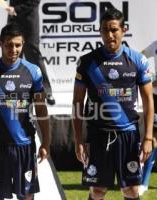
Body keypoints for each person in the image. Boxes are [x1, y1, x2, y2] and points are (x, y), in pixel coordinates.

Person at [72, 8, 154, 200]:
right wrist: (78, 140)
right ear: (100, 31)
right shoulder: (87, 62)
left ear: (123, 30)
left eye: (114, 30)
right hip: (98, 136)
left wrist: (148, 137)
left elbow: (148, 100)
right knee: (98, 191)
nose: (109, 35)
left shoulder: (137, 60)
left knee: (132, 190)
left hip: (128, 136)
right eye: (105, 30)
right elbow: (77, 102)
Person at [0, 23, 50, 200]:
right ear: (0, 43)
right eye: (9, 44)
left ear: (23, 44)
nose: (13, 49)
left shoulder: (33, 71)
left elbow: (41, 109)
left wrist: (46, 142)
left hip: (25, 147)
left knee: (27, 196)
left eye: (18, 45)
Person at [6, 0, 55, 105]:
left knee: (34, 57)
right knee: (13, 58)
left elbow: (35, 1)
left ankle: (46, 91)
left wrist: (16, 9)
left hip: (29, 24)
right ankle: (12, 93)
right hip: (14, 23)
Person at [138, 41, 157, 195]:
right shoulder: (155, 45)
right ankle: (144, 182)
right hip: (156, 97)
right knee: (153, 140)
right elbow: (140, 56)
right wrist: (150, 76)